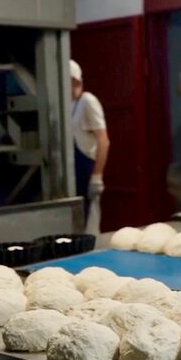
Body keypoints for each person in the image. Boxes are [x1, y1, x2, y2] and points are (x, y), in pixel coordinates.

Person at [69, 59, 110, 234]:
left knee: (89, 224)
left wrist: (97, 177)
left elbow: (103, 140)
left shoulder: (88, 102)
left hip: (87, 168)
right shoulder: (68, 105)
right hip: (74, 170)